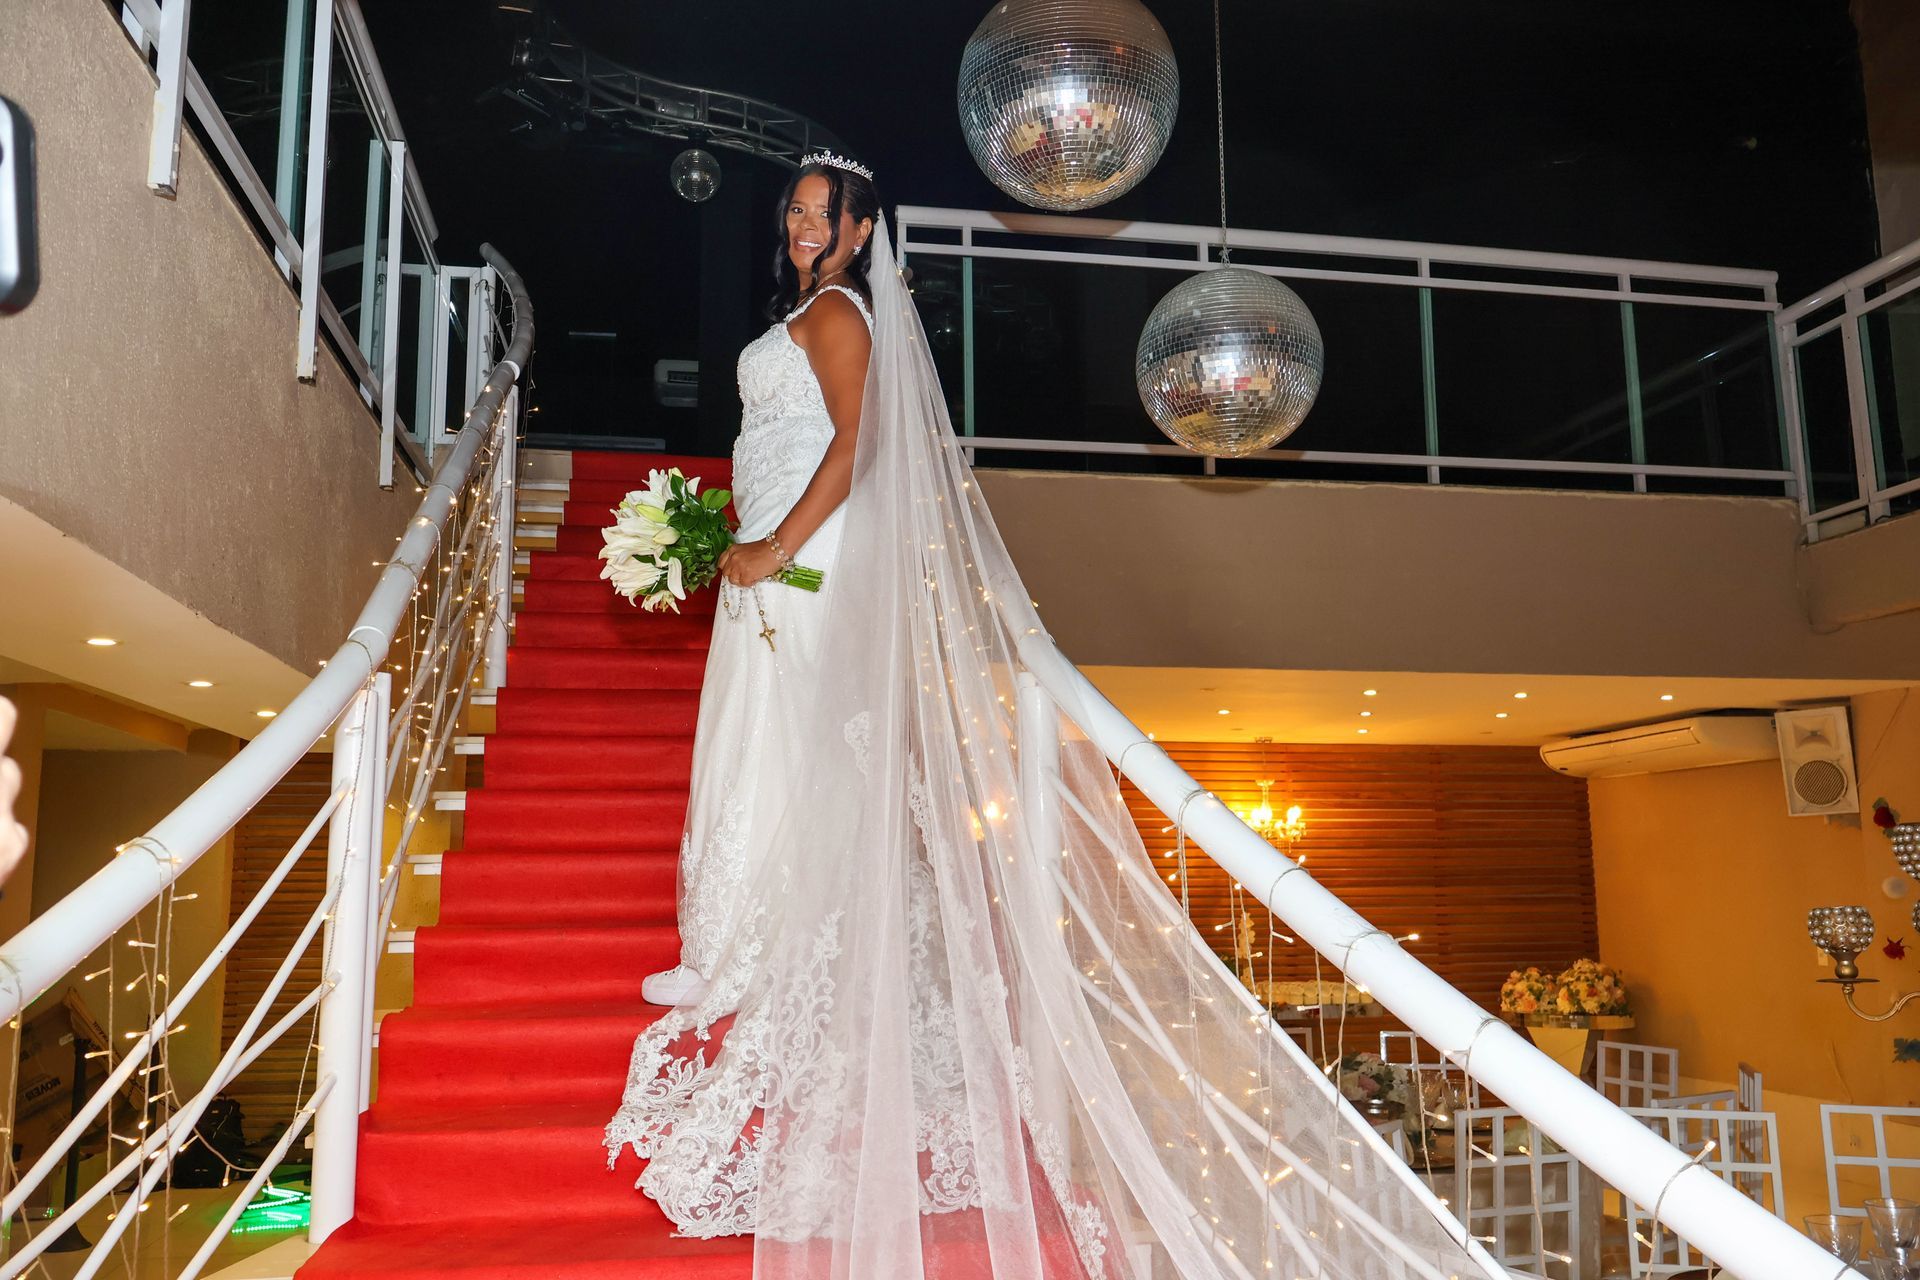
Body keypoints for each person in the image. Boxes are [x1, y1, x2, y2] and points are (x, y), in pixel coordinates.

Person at [607, 151, 1493, 1279]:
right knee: (761, 739)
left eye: (820, 215)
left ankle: (752, 945)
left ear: (862, 231)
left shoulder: (836, 315)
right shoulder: (807, 310)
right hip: (771, 545)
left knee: (786, 743)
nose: (799, 229)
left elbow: (859, 443)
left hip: (802, 554)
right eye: (791, 213)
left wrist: (778, 546)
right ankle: (736, 937)